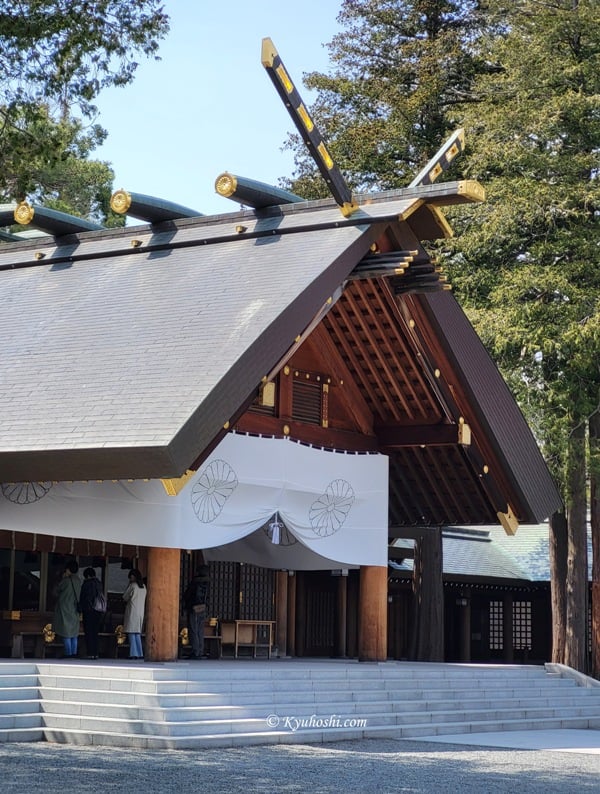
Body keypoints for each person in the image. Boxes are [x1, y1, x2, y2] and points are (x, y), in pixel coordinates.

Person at [54, 560, 81, 658]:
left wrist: (63, 577)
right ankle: (74, 652)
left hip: (65, 608)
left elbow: (56, 591)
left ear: (68, 569)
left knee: (66, 632)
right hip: (75, 609)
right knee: (74, 633)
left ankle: (68, 653)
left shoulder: (66, 581)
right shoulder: (78, 580)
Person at [183, 566, 209, 659]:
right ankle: (200, 650)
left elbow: (188, 595)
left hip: (194, 608)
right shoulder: (207, 583)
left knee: (193, 629)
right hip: (203, 607)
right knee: (200, 630)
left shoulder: (195, 583)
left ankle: (195, 651)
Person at [80, 567, 104, 659]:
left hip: (89, 610)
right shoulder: (99, 583)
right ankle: (96, 653)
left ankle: (90, 653)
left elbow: (84, 597)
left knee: (89, 632)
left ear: (88, 576)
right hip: (98, 610)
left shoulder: (87, 584)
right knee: (95, 632)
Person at [123, 568, 146, 659]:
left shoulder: (133, 585)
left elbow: (125, 597)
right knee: (137, 633)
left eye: (131, 577)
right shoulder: (143, 586)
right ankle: (140, 653)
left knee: (131, 633)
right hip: (141, 612)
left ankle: (133, 653)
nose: (130, 579)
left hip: (132, 611)